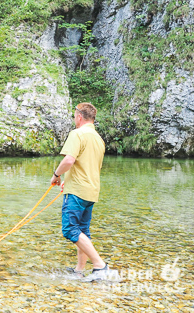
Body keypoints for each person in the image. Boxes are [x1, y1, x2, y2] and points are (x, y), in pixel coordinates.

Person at [50, 102, 109, 280]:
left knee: (69, 229)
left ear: (79, 117)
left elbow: (69, 160)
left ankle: (100, 265)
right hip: (91, 191)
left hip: (77, 191)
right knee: (82, 230)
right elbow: (86, 165)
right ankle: (79, 270)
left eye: (75, 116)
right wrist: (67, 181)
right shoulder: (99, 139)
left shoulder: (77, 134)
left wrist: (56, 175)